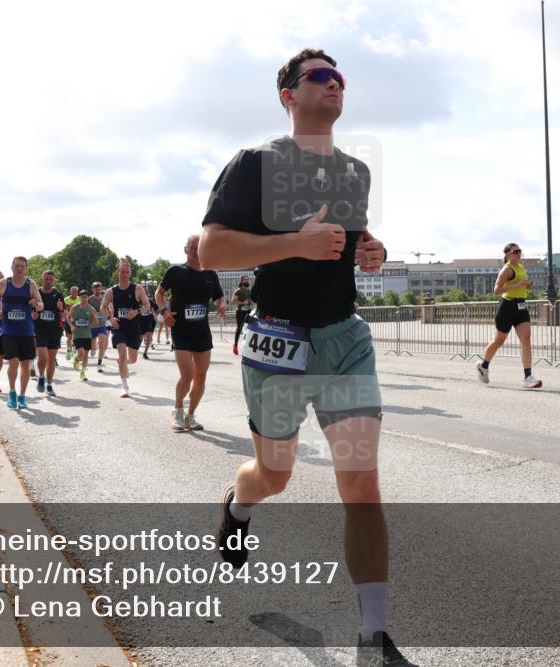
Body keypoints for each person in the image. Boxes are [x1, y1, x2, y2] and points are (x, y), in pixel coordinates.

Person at [197, 48, 416, 666]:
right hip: (278, 342)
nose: (335, 84)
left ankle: (373, 635)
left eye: (340, 77)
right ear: (289, 95)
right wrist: (296, 242)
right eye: (320, 77)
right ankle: (238, 504)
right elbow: (211, 249)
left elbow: (347, 245)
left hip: (344, 340)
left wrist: (368, 253)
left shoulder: (354, 171)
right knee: (275, 475)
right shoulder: (256, 163)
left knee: (362, 486)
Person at [157, 235, 226, 431]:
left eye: (199, 247)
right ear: (185, 249)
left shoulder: (210, 274)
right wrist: (164, 310)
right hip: (181, 330)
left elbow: (220, 297)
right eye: (192, 247)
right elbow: (159, 293)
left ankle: (191, 415)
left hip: (202, 332)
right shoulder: (176, 271)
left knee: (201, 377)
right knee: (187, 375)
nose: (196, 251)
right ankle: (178, 410)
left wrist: (221, 305)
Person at [475, 243, 543, 389]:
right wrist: (518, 285)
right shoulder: (507, 269)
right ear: (508, 255)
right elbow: (496, 289)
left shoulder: (521, 267)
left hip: (521, 307)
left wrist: (527, 286)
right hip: (507, 307)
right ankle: (483, 365)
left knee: (526, 340)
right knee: (499, 341)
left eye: (520, 251)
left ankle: (528, 377)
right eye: (516, 251)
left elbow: (521, 284)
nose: (519, 254)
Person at [0, 256, 43, 409]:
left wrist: (37, 304)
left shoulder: (31, 284)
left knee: (25, 365)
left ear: (26, 268)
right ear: (12, 267)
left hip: (26, 331)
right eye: (17, 266)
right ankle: (12, 392)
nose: (20, 268)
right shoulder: (4, 283)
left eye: (22, 266)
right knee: (13, 362)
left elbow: (41, 305)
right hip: (9, 330)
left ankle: (22, 395)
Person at [101, 260, 151, 398]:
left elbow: (147, 305)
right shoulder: (111, 291)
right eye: (122, 271)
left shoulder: (138, 289)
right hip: (119, 328)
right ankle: (125, 386)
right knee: (122, 354)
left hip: (134, 328)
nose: (124, 274)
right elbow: (102, 308)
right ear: (118, 272)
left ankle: (123, 363)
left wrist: (137, 311)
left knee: (133, 359)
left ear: (130, 273)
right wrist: (110, 318)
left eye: (127, 272)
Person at [33, 270, 66, 396]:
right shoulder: (36, 293)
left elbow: (64, 316)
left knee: (51, 359)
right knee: (43, 357)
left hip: (54, 331)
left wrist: (60, 309)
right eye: (46, 279)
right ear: (42, 279)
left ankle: (49, 385)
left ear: (54, 281)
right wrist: (33, 315)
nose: (49, 282)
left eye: (51, 280)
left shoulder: (58, 294)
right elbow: (31, 312)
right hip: (40, 329)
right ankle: (41, 376)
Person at [68, 290, 97, 382]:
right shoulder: (75, 307)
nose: (84, 299)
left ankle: (83, 372)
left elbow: (95, 322)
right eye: (82, 297)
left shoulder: (91, 309)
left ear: (88, 298)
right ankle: (77, 360)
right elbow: (68, 317)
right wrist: (72, 326)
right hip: (77, 334)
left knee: (85, 355)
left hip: (87, 335)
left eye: (86, 297)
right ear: (79, 298)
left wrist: (95, 319)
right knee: (81, 353)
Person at [89, 282, 110, 372]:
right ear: (93, 289)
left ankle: (99, 363)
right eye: (95, 289)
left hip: (102, 324)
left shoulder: (104, 299)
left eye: (99, 289)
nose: (97, 291)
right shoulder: (89, 299)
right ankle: (93, 350)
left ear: (101, 289)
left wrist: (106, 316)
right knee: (93, 345)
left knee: (102, 342)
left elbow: (108, 310)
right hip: (92, 325)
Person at [231, 274, 253, 355]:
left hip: (248, 311)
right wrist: (243, 302)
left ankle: (247, 347)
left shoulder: (250, 290)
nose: (246, 280)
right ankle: (235, 345)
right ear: (242, 281)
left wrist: (251, 302)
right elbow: (233, 301)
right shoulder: (238, 290)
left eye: (247, 279)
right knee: (239, 328)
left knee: (249, 329)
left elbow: (251, 301)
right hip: (240, 312)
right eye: (245, 279)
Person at [63, 286, 81, 362]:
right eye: (73, 291)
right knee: (69, 337)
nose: (74, 293)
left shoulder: (79, 299)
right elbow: (65, 310)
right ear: (70, 292)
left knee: (76, 336)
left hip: (78, 321)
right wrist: (68, 317)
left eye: (76, 292)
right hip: (69, 320)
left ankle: (74, 347)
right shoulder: (66, 300)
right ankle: (69, 351)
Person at [141, 287, 158, 360]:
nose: (147, 292)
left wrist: (154, 315)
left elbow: (152, 310)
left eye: (147, 290)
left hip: (147, 319)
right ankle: (133, 349)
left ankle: (145, 352)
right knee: (140, 338)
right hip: (140, 319)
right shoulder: (138, 300)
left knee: (149, 335)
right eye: (145, 290)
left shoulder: (150, 301)